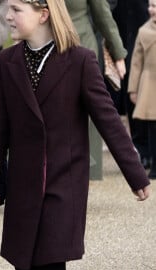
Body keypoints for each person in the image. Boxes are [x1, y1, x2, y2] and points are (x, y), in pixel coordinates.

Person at [0, 0, 151, 270]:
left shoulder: (80, 60)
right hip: (24, 183)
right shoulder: (6, 62)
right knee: (25, 268)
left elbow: (108, 120)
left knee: (51, 268)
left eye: (16, 9)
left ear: (43, 14)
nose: (7, 16)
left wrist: (135, 175)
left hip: (63, 183)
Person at [64, 0, 128, 180]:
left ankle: (90, 170)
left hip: (81, 46)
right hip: (48, 45)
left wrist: (118, 53)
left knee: (87, 108)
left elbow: (103, 15)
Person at [112, 0, 151, 169]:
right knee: (132, 93)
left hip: (149, 40)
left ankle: (149, 150)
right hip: (127, 42)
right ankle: (142, 150)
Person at [128, 0, 156, 179]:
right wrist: (133, 89)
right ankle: (154, 163)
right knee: (152, 128)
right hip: (150, 85)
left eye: (155, 6)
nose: (150, 9)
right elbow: (136, 63)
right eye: (150, 5)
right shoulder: (144, 31)